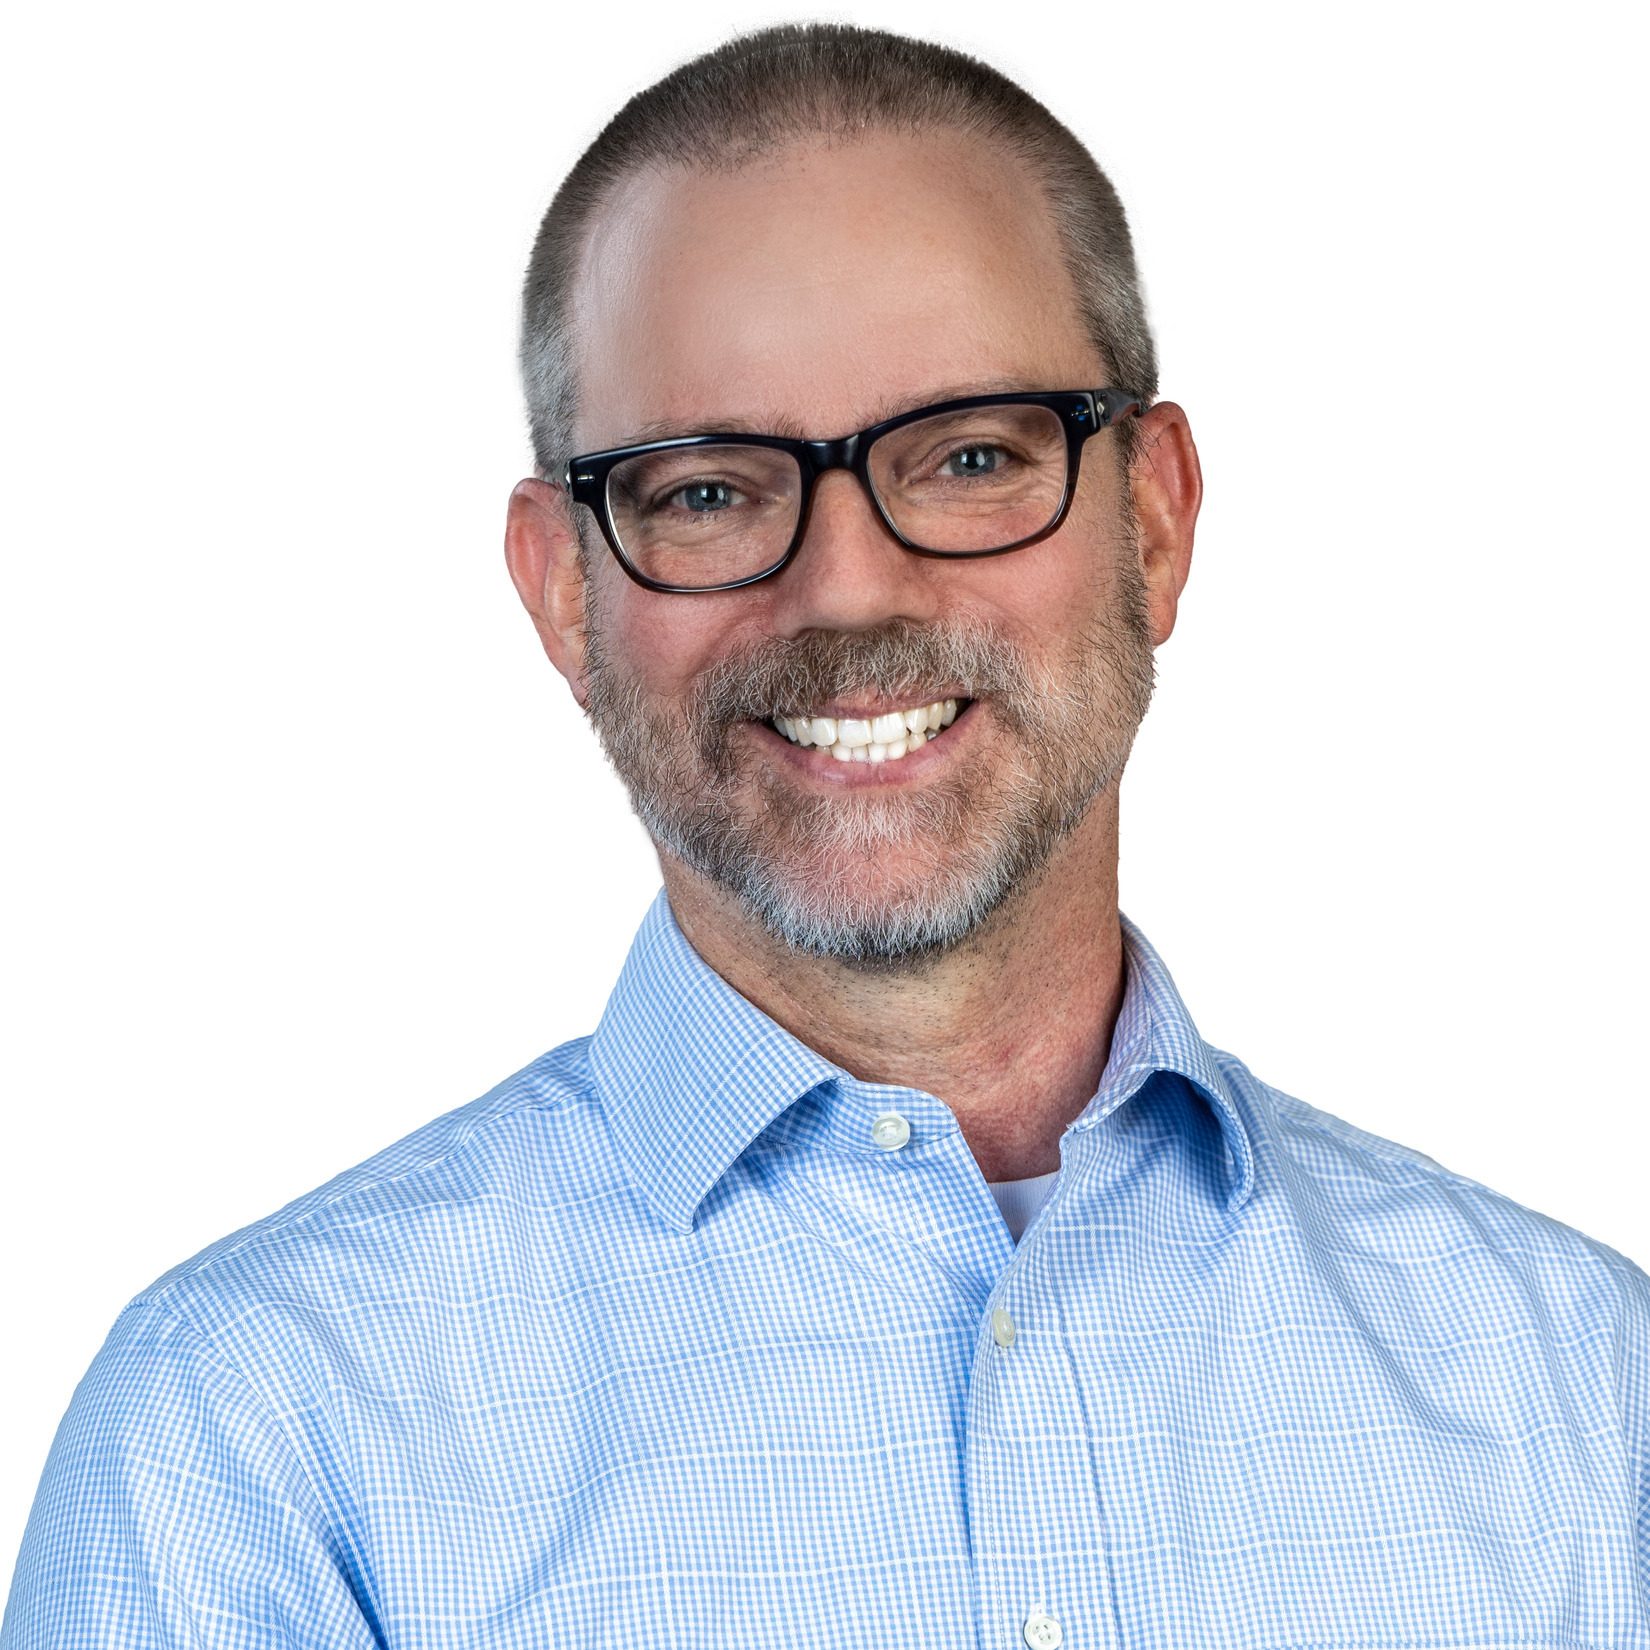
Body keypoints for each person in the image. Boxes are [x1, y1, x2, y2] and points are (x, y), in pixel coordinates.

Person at [5, 20, 1647, 1647]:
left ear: (1154, 515)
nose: (850, 585)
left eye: (974, 456)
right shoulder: (253, 1450)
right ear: (565, 589)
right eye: (708, 489)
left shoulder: (1581, 1396)